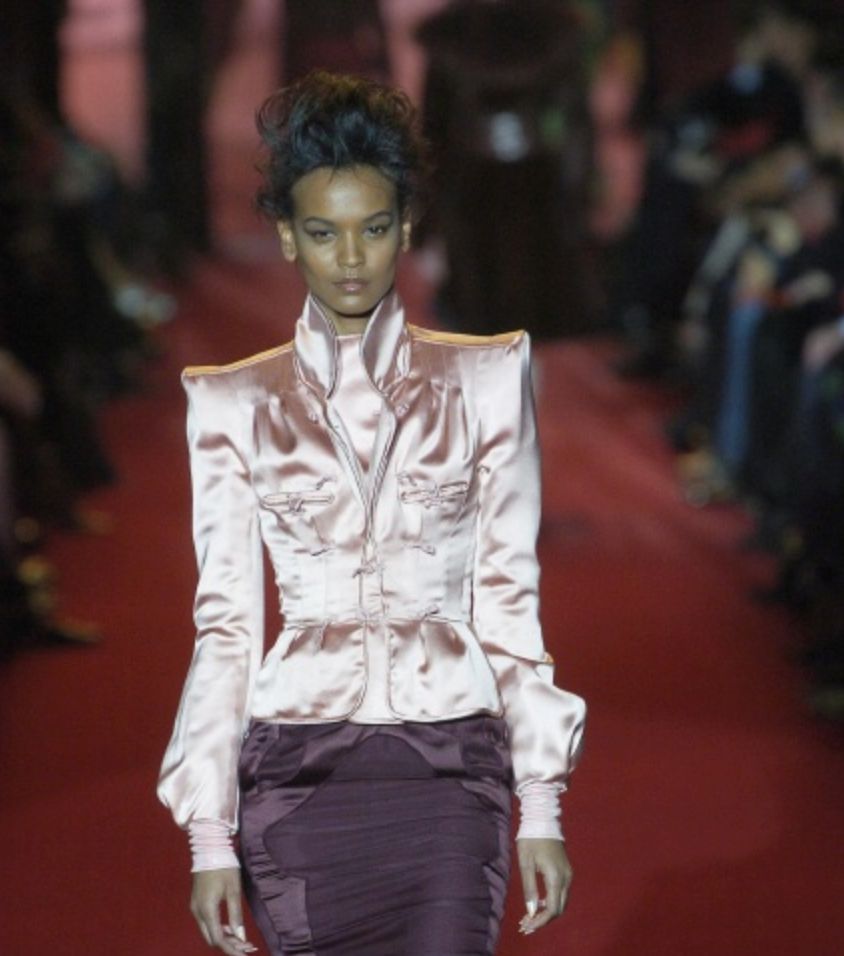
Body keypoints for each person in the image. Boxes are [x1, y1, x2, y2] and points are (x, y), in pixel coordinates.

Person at [157, 72, 586, 956]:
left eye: (374, 227)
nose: (350, 257)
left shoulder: (488, 378)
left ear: (407, 228)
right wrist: (209, 835)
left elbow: (510, 600)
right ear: (287, 236)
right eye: (323, 232)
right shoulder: (231, 402)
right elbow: (226, 627)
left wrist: (540, 804)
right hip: (296, 772)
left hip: (453, 766)